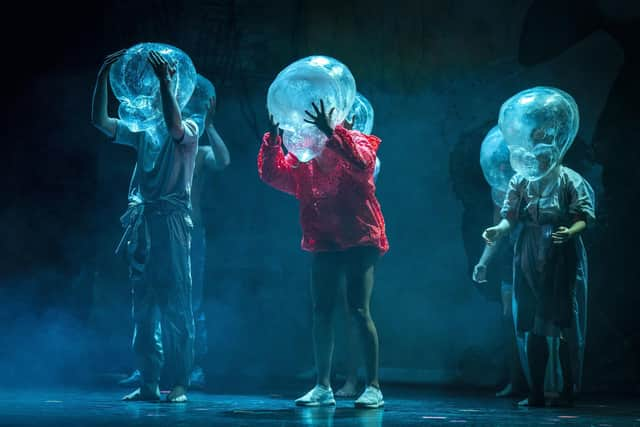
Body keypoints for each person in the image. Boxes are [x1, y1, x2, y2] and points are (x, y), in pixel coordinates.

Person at [258, 101, 388, 408]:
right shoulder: (306, 153)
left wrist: (331, 131)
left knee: (358, 309)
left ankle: (373, 386)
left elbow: (362, 163)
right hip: (325, 238)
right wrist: (274, 137)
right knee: (322, 310)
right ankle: (322, 386)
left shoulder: (356, 142)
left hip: (359, 236)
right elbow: (274, 175)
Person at [91, 49, 198, 402]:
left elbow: (174, 125)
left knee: (176, 304)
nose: (153, 93)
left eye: (163, 87)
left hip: (170, 224)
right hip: (143, 226)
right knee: (143, 309)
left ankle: (180, 382)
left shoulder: (190, 130)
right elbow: (101, 122)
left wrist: (167, 83)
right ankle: (149, 381)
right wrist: (103, 76)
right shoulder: (142, 132)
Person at [483, 145, 595, 407]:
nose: (539, 163)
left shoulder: (569, 179)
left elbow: (583, 217)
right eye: (536, 159)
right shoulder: (521, 181)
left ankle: (568, 389)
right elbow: (509, 216)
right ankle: (536, 391)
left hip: (560, 250)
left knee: (563, 318)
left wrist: (569, 232)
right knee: (532, 321)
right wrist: (498, 230)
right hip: (529, 250)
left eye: (545, 159)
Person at [189, 96, 231, 387]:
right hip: (158, 228)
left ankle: (193, 367)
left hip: (191, 231)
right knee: (152, 296)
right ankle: (148, 366)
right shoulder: (160, 143)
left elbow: (224, 160)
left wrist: (210, 126)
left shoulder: (200, 153)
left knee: (192, 299)